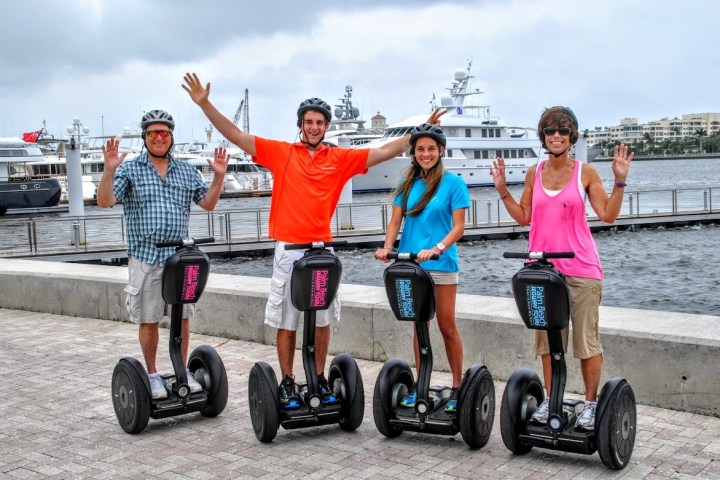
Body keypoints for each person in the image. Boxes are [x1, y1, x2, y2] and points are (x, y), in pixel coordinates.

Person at [182, 72, 445, 410]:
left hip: (322, 251)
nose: (315, 127)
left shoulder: (338, 159)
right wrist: (205, 104)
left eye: (320, 122)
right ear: (301, 124)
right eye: (309, 122)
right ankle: (289, 381)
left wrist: (420, 130)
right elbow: (236, 135)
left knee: (322, 320)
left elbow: (383, 151)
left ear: (326, 125)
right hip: (289, 250)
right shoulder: (281, 153)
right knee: (287, 321)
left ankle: (319, 376)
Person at [491, 106, 633, 430]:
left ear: (572, 137)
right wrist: (501, 189)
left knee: (586, 344)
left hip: (581, 269)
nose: (557, 136)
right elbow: (524, 217)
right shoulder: (534, 172)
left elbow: (608, 214)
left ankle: (591, 405)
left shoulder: (585, 173)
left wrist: (620, 181)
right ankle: (551, 400)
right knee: (548, 343)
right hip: (542, 270)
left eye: (564, 131)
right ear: (543, 136)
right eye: (551, 131)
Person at [96, 109, 229, 400]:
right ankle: (153, 375)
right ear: (145, 137)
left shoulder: (185, 170)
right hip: (146, 257)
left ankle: (181, 371)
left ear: (171, 137)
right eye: (153, 133)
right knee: (150, 318)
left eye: (164, 133)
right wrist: (108, 170)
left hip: (179, 259)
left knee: (182, 318)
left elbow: (207, 203)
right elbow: (105, 201)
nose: (159, 137)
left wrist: (219, 178)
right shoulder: (130, 170)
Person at [375, 123, 470, 413]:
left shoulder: (454, 183)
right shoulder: (407, 184)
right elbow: (395, 222)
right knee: (419, 326)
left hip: (441, 264)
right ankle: (421, 382)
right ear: (413, 154)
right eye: (420, 150)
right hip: (412, 266)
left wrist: (438, 248)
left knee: (446, 325)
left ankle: (456, 385)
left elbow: (459, 227)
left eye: (431, 149)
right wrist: (387, 247)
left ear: (441, 151)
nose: (426, 154)